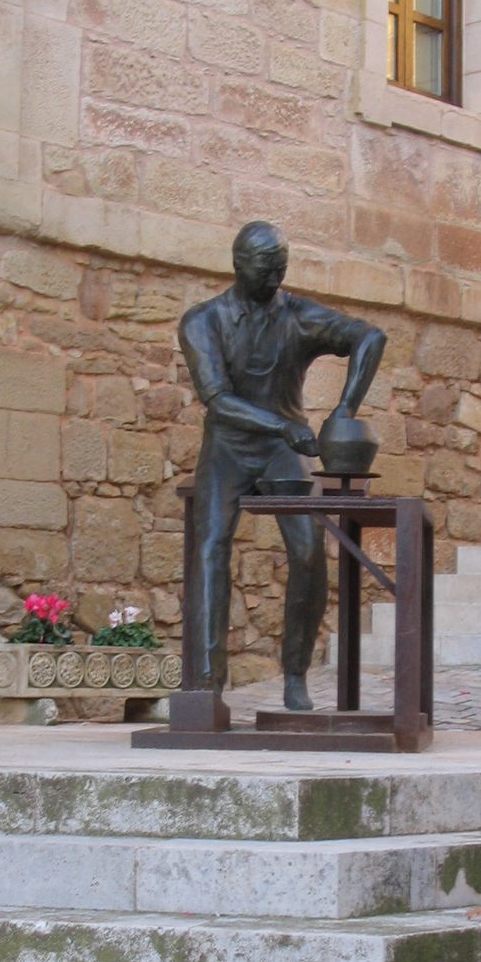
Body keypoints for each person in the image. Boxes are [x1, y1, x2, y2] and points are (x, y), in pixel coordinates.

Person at [178, 221, 386, 710]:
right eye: (266, 270)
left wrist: (344, 409)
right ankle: (207, 686)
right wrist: (282, 426)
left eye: (282, 269)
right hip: (228, 446)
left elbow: (370, 337)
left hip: (282, 450)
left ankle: (295, 673)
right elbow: (217, 399)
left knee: (309, 550)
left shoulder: (297, 315)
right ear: (238, 265)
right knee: (210, 547)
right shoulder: (202, 321)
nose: (276, 279)